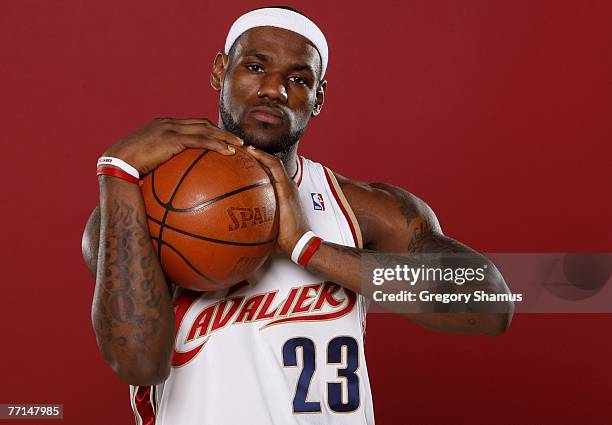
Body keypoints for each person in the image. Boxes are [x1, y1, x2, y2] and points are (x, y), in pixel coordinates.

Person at [82, 6, 513, 424]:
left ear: (319, 97)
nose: (275, 89)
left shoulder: (360, 208)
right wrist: (117, 174)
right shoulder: (147, 206)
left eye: (299, 78)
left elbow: (491, 307)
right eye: (254, 67)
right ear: (219, 71)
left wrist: (309, 249)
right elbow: (137, 364)